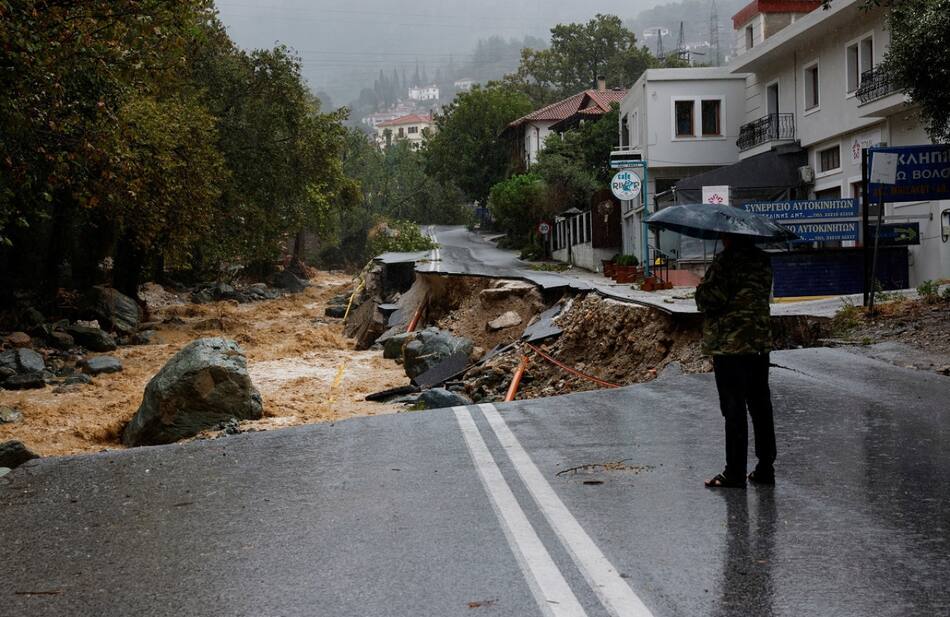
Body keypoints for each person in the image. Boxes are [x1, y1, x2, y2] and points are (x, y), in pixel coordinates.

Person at [694, 233, 776, 489]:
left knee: (734, 409)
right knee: (761, 406)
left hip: (731, 345)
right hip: (759, 343)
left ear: (729, 238)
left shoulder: (725, 262)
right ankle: (765, 467)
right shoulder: (763, 261)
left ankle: (734, 472)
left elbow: (711, 299)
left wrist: (701, 287)